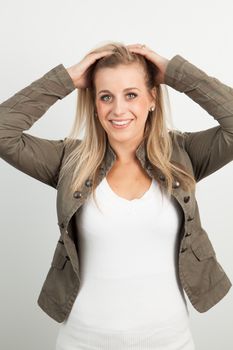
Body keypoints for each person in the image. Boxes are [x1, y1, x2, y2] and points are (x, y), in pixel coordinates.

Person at [0, 42, 232, 349]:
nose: (118, 109)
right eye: (105, 96)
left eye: (131, 94)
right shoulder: (70, 160)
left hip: (170, 341)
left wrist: (175, 72)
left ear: (152, 98)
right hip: (83, 341)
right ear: (94, 103)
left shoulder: (182, 154)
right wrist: (67, 78)